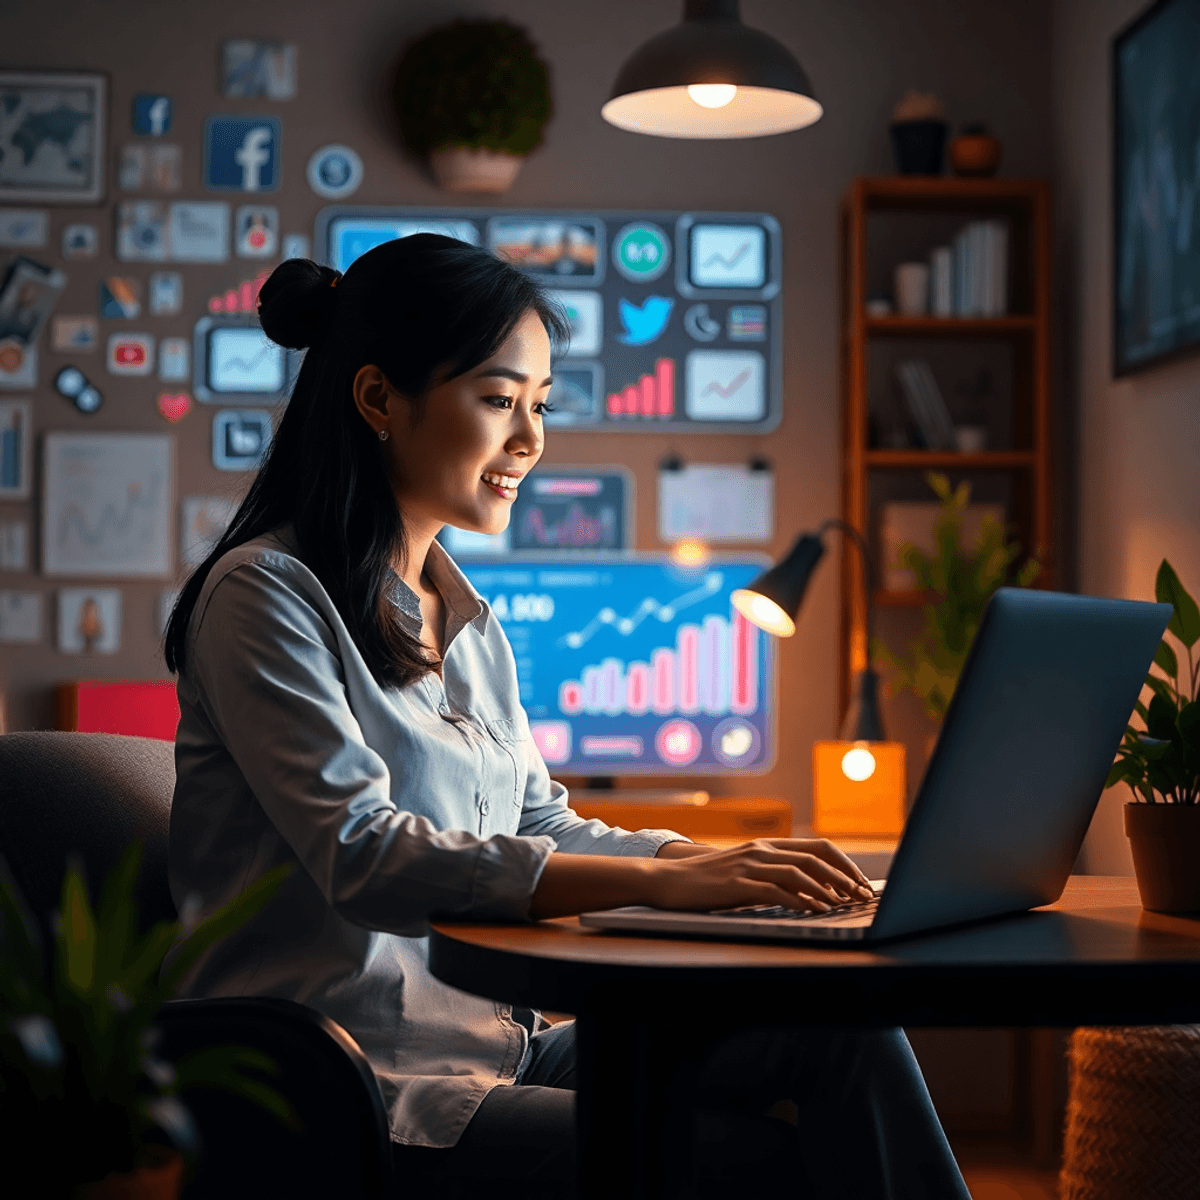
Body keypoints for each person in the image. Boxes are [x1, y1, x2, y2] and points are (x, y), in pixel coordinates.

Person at [164, 235, 970, 1200]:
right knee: (750, 1164)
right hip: (357, 1082)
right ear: (379, 398)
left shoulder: (461, 616)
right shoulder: (264, 595)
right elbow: (364, 856)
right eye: (500, 400)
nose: (532, 440)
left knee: (841, 1037)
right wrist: (680, 892)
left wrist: (699, 864)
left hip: (500, 1042)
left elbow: (538, 822)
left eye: (539, 406)